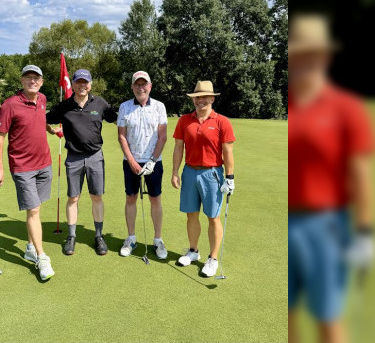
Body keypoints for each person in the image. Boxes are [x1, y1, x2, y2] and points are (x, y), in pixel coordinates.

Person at [288, 14, 375, 343]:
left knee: (328, 318)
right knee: (286, 316)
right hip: (286, 221)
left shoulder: (346, 107)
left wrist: (365, 232)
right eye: (299, 54)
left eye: (312, 54)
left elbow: (361, 173)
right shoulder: (288, 103)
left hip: (326, 225)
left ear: (325, 57)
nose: (305, 61)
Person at [0, 64, 57, 281]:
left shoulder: (42, 99)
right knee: (34, 210)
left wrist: (51, 130)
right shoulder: (9, 105)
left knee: (36, 208)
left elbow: (40, 120)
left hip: (44, 163)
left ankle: (30, 247)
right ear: (21, 80)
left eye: (36, 78)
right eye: (28, 77)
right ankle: (41, 257)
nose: (32, 81)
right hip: (22, 167)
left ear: (42, 82)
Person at [46, 69, 118, 256]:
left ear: (90, 84)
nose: (82, 85)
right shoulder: (65, 106)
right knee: (73, 198)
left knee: (97, 197)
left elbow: (118, 120)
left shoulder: (100, 104)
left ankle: (99, 235)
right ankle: (71, 236)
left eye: (85, 82)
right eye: (78, 82)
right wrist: (51, 130)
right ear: (74, 84)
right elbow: (42, 118)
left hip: (95, 156)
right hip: (74, 158)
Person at [171, 80, 236, 277]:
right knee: (191, 214)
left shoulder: (222, 121)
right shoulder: (184, 120)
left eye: (205, 97)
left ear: (212, 99)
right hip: (190, 171)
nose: (201, 100)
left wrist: (230, 177)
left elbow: (228, 151)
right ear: (193, 99)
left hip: (212, 174)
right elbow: (178, 148)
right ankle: (193, 251)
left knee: (213, 217)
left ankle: (213, 258)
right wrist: (175, 172)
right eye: (197, 97)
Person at [117, 71, 169, 259]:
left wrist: (152, 161)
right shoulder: (124, 107)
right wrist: (131, 161)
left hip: (154, 161)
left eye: (144, 84)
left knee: (155, 199)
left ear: (150, 86)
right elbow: (122, 136)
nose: (141, 88)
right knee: (131, 198)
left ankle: (158, 240)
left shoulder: (159, 106)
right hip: (131, 161)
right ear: (132, 87)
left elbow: (162, 136)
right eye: (137, 84)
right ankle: (131, 238)